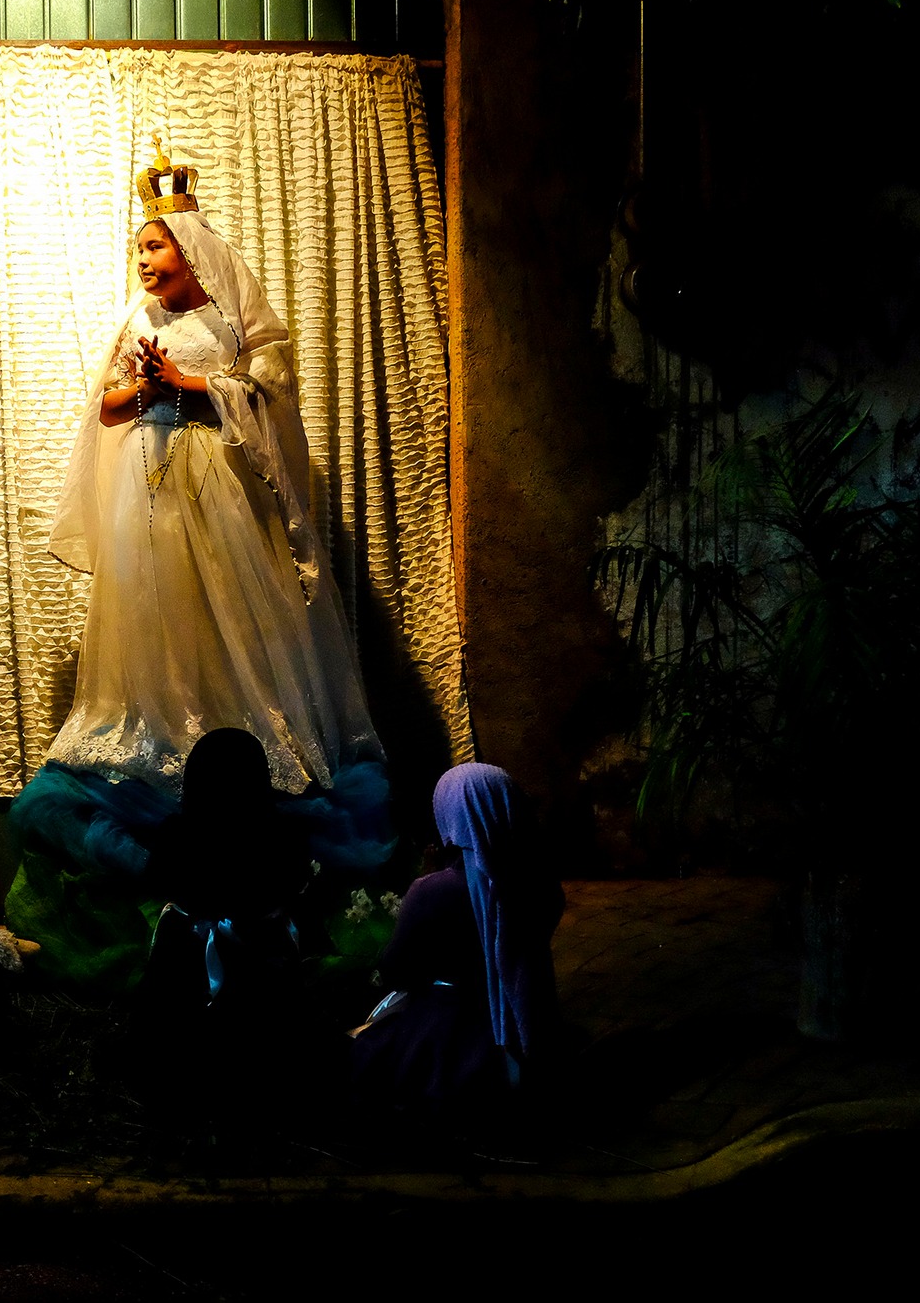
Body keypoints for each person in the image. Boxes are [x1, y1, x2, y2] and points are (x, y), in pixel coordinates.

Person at [44, 138, 381, 799]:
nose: (144, 260)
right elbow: (108, 410)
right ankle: (166, 725)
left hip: (220, 480)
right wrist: (151, 391)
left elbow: (268, 394)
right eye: (139, 248)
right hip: (146, 484)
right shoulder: (135, 321)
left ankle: (238, 728)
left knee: (230, 600)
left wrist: (190, 387)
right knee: (159, 605)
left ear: (191, 250)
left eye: (157, 247)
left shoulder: (229, 323)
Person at [350, 763, 565, 1122]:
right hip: (522, 1019)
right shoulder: (540, 884)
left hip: (450, 1037)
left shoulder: (433, 890)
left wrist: (423, 882)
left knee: (367, 1051)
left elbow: (397, 969)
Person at [129, 728, 315, 1126]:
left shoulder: (176, 834)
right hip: (261, 963)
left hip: (184, 967)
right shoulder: (282, 834)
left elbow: (156, 879)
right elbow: (295, 882)